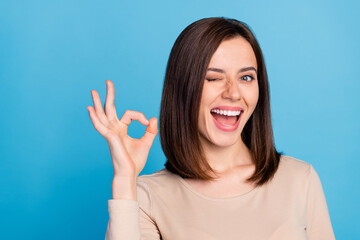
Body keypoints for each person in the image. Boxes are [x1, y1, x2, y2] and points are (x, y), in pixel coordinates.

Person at [87, 17, 335, 240]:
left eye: (246, 77)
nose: (233, 93)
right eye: (213, 78)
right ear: (183, 88)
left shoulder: (300, 180)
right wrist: (124, 179)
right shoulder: (145, 196)